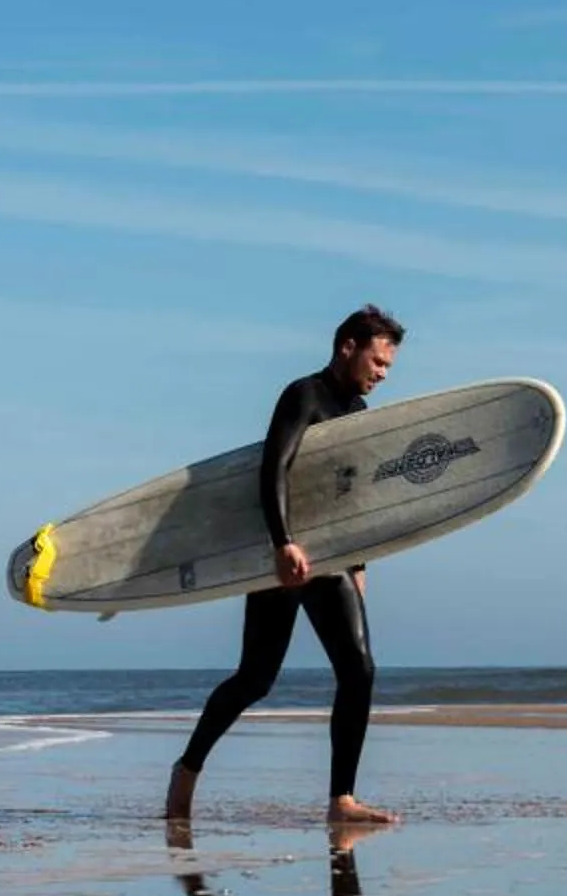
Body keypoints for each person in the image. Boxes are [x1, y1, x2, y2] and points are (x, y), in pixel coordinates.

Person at [164, 305, 405, 827]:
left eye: (388, 366)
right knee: (255, 679)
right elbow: (273, 467)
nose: (383, 374)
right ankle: (187, 769)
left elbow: (349, 497)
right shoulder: (304, 395)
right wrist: (282, 543)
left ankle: (342, 799)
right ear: (348, 347)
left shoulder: (359, 413)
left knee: (359, 670)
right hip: (284, 557)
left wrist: (358, 563)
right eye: (378, 361)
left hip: (330, 558)